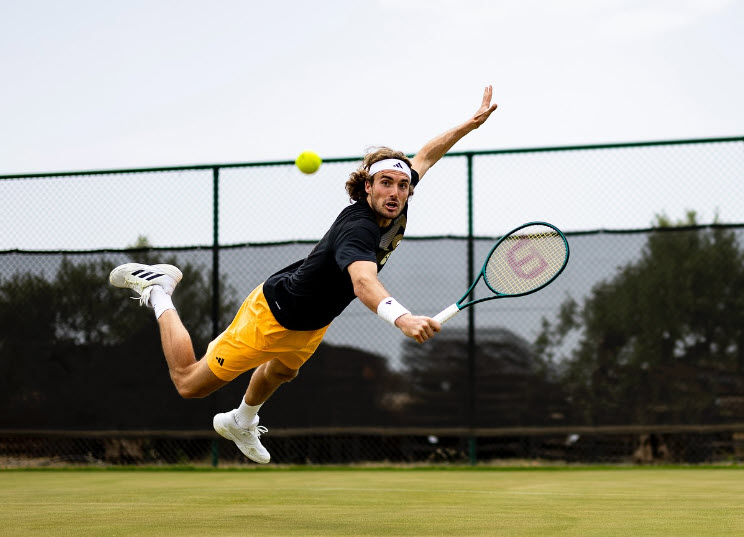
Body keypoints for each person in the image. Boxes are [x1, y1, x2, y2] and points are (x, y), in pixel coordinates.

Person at [109, 86, 498, 463]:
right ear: (367, 187)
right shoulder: (359, 227)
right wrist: (403, 317)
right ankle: (160, 290)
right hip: (273, 315)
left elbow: (427, 154)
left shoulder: (399, 195)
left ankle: (241, 421)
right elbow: (363, 282)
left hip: (311, 322)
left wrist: (470, 125)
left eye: (402, 184)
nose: (395, 191)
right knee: (189, 383)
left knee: (283, 369)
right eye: (385, 183)